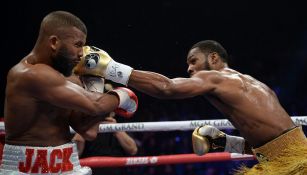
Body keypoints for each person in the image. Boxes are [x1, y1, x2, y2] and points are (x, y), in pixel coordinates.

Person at [74, 41, 307, 174]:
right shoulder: (250, 83)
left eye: (193, 61)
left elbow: (167, 88)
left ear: (214, 58)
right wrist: (226, 143)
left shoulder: (218, 78)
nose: (189, 69)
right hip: (293, 157)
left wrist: (110, 68)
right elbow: (275, 140)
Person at [1, 11, 138, 175]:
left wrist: (94, 81)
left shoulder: (68, 79)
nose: (82, 53)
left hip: (67, 164)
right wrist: (122, 95)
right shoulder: (29, 74)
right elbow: (96, 105)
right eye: (78, 44)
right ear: (54, 42)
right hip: (26, 168)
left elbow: (88, 130)